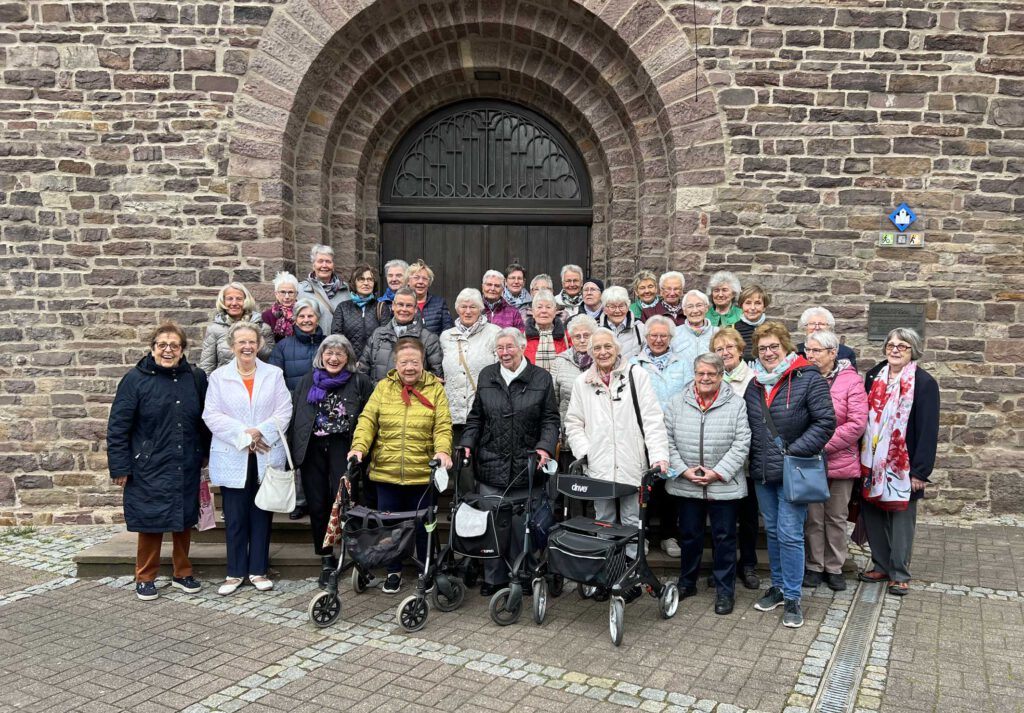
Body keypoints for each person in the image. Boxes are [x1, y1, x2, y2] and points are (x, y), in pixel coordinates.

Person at [107, 322, 211, 601]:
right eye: (162, 345)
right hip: (148, 463)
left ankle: (182, 572)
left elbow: (204, 420)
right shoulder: (135, 380)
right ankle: (145, 576)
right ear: (152, 348)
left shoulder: (196, 377)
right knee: (150, 520)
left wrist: (205, 453)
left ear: (182, 350)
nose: (168, 350)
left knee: (184, 519)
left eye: (174, 345)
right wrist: (120, 466)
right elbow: (118, 426)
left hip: (185, 459)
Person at [564, 328, 670, 595]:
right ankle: (606, 573)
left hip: (632, 463)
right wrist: (585, 451)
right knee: (604, 520)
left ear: (617, 348)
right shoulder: (582, 382)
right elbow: (573, 422)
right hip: (599, 465)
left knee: (633, 520)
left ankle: (633, 573)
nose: (603, 352)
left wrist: (658, 457)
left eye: (607, 347)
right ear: (590, 353)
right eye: (597, 348)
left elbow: (652, 420)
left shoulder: (637, 375)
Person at [745, 322, 835, 628]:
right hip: (763, 471)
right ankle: (780, 587)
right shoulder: (755, 383)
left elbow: (825, 422)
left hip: (794, 469)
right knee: (772, 531)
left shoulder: (809, 379)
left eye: (774, 347)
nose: (768, 353)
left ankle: (794, 597)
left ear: (786, 348)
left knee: (790, 533)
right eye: (762, 348)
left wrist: (794, 451)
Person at [459, 328, 560, 595]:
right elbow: (476, 417)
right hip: (491, 462)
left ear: (523, 347)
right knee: (491, 525)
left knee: (521, 527)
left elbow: (550, 420)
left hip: (527, 464)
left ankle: (523, 576)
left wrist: (545, 447)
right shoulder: (487, 375)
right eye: (500, 348)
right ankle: (494, 579)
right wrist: (468, 443)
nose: (504, 352)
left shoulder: (541, 378)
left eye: (509, 347)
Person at [348, 337, 453, 595]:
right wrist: (359, 447)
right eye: (404, 362)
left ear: (423, 363)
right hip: (387, 472)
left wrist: (442, 450)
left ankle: (425, 569)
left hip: (421, 473)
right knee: (389, 527)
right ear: (395, 363)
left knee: (423, 526)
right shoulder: (383, 387)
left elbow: (442, 425)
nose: (409, 367)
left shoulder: (435, 389)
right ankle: (393, 570)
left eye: (414, 362)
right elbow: (367, 420)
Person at [203, 322, 292, 596]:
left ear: (260, 344)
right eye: (241, 342)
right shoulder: (219, 377)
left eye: (252, 342)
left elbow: (284, 410)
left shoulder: (274, 374)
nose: (247, 347)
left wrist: (260, 432)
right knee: (236, 516)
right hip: (234, 454)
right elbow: (212, 415)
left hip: (265, 453)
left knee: (262, 514)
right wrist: (245, 437)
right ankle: (234, 572)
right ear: (232, 347)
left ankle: (258, 570)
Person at [664, 353, 751, 615]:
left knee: (724, 538)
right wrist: (682, 470)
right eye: (701, 373)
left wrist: (718, 472)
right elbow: (665, 439)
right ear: (694, 373)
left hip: (723, 484)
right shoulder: (677, 402)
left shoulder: (736, 404)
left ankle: (725, 590)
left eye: (711, 374)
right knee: (689, 536)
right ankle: (687, 582)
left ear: (721, 376)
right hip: (687, 482)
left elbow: (742, 443)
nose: (705, 378)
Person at [859, 328, 939, 597]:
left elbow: (928, 430)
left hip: (903, 465)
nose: (894, 350)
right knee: (873, 514)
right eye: (890, 345)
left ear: (913, 350)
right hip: (872, 462)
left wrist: (920, 471)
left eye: (902, 346)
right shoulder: (873, 376)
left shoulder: (924, 383)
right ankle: (881, 565)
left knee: (901, 519)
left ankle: (900, 573)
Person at [289, 335, 373, 588]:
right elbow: (296, 416)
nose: (333, 358)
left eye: (340, 354)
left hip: (343, 447)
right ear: (321, 356)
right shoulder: (307, 381)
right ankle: (326, 557)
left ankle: (355, 555)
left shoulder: (360, 381)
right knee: (317, 503)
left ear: (348, 358)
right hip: (312, 448)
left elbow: (370, 417)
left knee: (346, 501)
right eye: (329, 353)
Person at [802, 329, 867, 592]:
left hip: (840, 461)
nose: (811, 355)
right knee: (813, 517)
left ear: (833, 353)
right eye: (809, 350)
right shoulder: (804, 377)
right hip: (810, 461)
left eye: (816, 351)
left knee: (836, 517)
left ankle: (835, 567)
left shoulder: (852, 381)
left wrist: (821, 444)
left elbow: (856, 423)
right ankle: (815, 566)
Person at [630, 315, 692, 559]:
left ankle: (669, 535)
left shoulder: (682, 363)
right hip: (642, 433)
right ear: (646, 337)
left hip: (673, 434)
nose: (658, 339)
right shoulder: (634, 363)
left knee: (670, 487)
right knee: (644, 487)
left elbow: (689, 393)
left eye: (663, 336)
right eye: (653, 335)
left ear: (670, 338)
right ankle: (642, 536)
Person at [711, 327, 761, 589]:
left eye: (730, 347)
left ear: (741, 350)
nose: (725, 352)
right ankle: (722, 566)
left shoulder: (754, 379)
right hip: (719, 462)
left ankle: (749, 564)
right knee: (723, 521)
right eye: (719, 349)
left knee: (749, 518)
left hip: (748, 461)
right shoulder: (711, 379)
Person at [440, 288, 500, 449]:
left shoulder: (494, 334)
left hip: (484, 414)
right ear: (457, 309)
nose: (467, 311)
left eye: (473, 307)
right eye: (463, 307)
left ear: (480, 309)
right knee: (457, 464)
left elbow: (501, 372)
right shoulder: (446, 337)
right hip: (453, 415)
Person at [359, 287, 443, 385]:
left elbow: (436, 377)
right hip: (379, 398)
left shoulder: (428, 339)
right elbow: (362, 370)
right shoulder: (377, 335)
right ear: (393, 306)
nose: (404, 309)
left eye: (409, 306)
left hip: (413, 399)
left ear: (415, 309)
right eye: (400, 304)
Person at [199, 282, 274, 374]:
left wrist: (257, 337)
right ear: (223, 302)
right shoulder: (214, 329)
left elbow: (271, 360)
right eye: (229, 299)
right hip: (225, 382)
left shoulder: (262, 327)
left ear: (246, 301)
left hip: (256, 381)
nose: (234, 303)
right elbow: (207, 366)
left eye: (239, 299)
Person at [550, 315, 596, 428]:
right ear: (571, 338)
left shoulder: (603, 360)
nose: (582, 340)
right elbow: (552, 403)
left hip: (599, 429)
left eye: (586, 336)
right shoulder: (559, 362)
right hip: (570, 428)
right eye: (577, 336)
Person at [269, 299, 324, 391]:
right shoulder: (282, 347)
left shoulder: (328, 344)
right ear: (296, 320)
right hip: (294, 402)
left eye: (310, 316)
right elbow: (274, 380)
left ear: (317, 319)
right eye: (301, 316)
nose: (306, 320)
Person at [332, 263, 384, 357]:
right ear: (354, 283)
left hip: (374, 364)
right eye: (361, 279)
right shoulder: (343, 308)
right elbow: (337, 338)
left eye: (370, 280)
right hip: (349, 363)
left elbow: (385, 338)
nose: (366, 283)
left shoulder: (381, 307)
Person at [298, 244, 351, 333]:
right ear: (313, 265)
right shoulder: (301, 289)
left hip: (339, 344)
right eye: (320, 261)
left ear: (333, 265)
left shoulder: (345, 289)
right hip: (313, 344)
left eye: (328, 261)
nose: (324, 265)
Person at [523, 289, 570, 369]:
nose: (544, 311)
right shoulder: (522, 337)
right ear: (533, 312)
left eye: (548, 307)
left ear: (555, 311)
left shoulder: (567, 337)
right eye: (539, 307)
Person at [407, 259, 453, 335]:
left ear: (429, 283)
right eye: (416, 278)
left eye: (425, 279)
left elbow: (448, 331)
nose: (420, 282)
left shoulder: (439, 303)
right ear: (408, 281)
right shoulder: (402, 304)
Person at [672, 289, 718, 363]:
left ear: (706, 308)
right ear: (684, 311)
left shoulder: (718, 333)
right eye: (690, 306)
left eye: (699, 305)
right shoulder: (674, 334)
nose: (695, 311)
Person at [600, 286, 646, 360]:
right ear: (604, 309)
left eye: (621, 306)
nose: (617, 311)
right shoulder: (597, 330)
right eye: (612, 307)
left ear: (627, 307)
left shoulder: (640, 328)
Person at [735, 284, 770, 362]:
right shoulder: (732, 330)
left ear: (764, 307)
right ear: (741, 306)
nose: (753, 308)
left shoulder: (774, 329)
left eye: (757, 303)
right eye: (748, 303)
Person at [262, 271, 301, 339]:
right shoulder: (267, 316)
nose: (287, 297)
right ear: (276, 294)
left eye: (290, 292)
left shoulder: (302, 313)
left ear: (296, 294)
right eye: (283, 292)